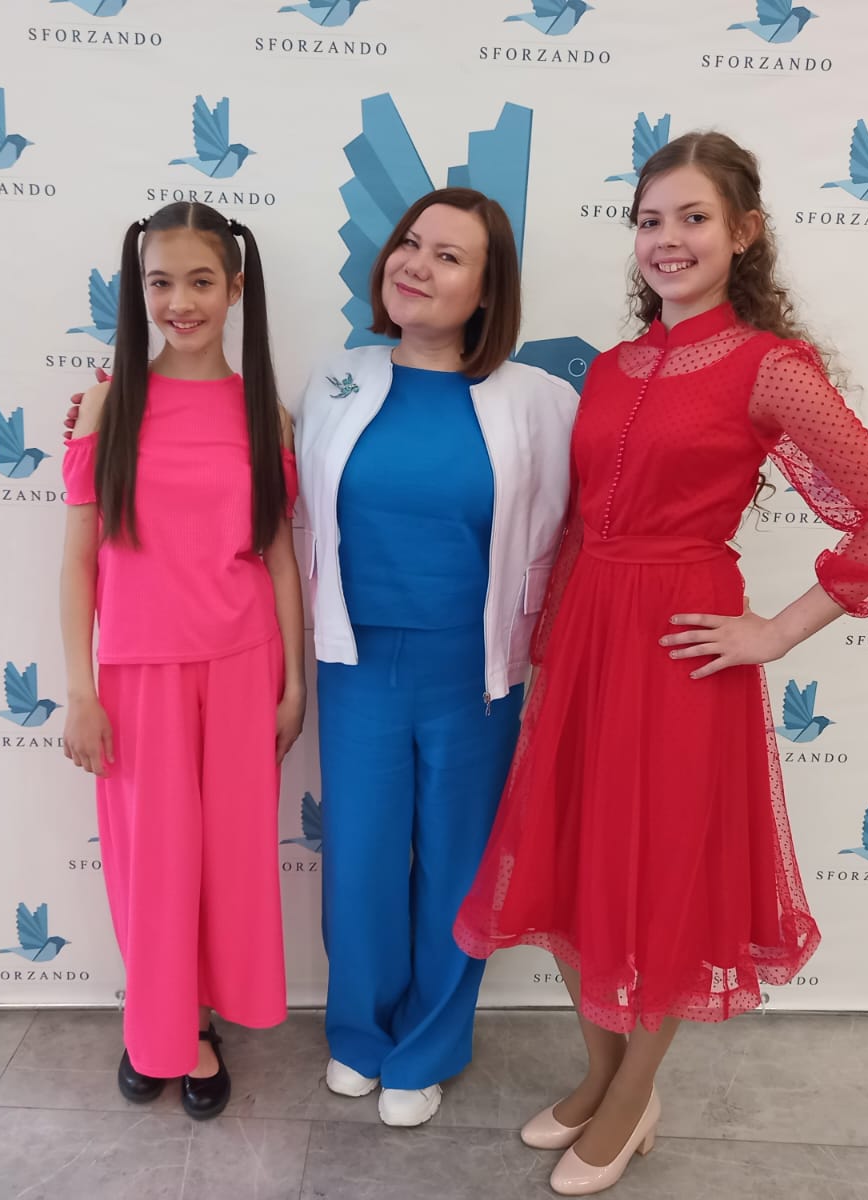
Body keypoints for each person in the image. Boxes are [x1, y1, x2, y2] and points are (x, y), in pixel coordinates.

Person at [453, 133, 868, 1194]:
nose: (666, 239)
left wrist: (776, 631)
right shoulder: (613, 368)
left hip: (683, 649)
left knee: (663, 874)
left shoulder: (771, 368)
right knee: (571, 862)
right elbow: (580, 521)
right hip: (588, 642)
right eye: (649, 220)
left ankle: (631, 1100)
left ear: (743, 233)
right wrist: (547, 648)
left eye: (692, 218)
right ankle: (600, 1076)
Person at [295, 187, 577, 1126]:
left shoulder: (541, 402)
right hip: (356, 661)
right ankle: (359, 1033)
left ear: (488, 291)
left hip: (475, 671)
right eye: (411, 244)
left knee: (458, 861)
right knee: (361, 858)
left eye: (449, 256)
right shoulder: (332, 382)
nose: (416, 264)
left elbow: (575, 533)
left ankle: (427, 1046)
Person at [58, 201, 303, 1122]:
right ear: (140, 289)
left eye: (201, 281)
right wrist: (80, 690)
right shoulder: (105, 405)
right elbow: (78, 561)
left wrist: (294, 683)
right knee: (152, 865)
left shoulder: (265, 414)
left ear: (235, 290)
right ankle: (158, 1027)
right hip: (137, 674)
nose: (180, 302)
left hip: (242, 665)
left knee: (227, 862)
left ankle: (198, 1021)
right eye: (161, 282)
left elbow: (279, 557)